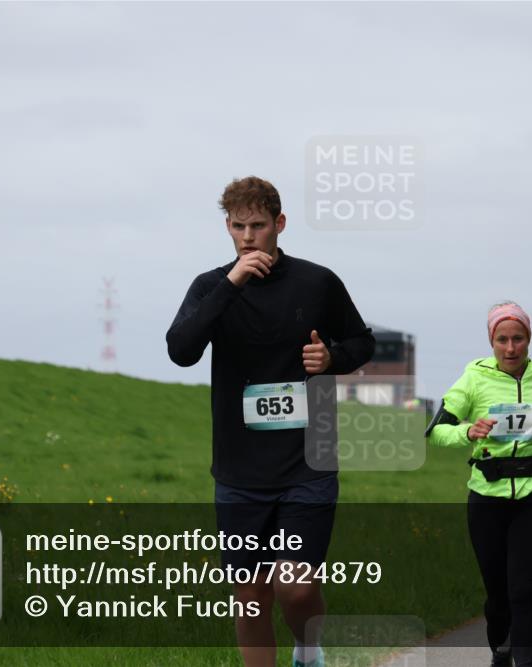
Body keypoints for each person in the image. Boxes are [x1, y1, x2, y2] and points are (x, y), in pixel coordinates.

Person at [166, 176, 375, 667]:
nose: (247, 236)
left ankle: (307, 646)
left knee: (296, 589)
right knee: (251, 596)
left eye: (258, 226)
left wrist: (332, 357)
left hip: (308, 461)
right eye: (238, 227)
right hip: (240, 471)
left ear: (279, 225)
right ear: (227, 227)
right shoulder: (210, 287)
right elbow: (181, 351)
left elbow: (361, 342)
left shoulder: (317, 282)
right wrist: (232, 282)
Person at [427, 301, 532, 667]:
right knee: (497, 596)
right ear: (491, 341)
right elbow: (436, 431)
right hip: (487, 499)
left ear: (529, 339)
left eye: (518, 339)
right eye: (502, 339)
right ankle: (501, 650)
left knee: (523, 592)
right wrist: (468, 429)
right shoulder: (472, 379)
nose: (510, 348)